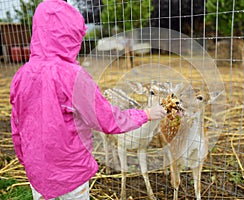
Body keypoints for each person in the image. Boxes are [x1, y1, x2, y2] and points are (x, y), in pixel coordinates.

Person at [9, 0, 166, 199]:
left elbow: (17, 124)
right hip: (71, 171)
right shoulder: (72, 76)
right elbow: (105, 119)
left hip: (37, 169)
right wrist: (145, 114)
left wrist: (26, 159)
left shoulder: (21, 75)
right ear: (71, 34)